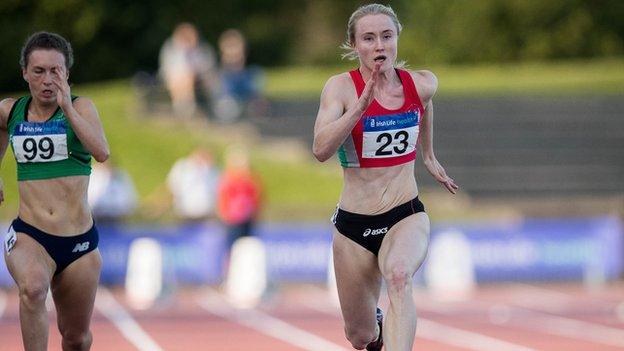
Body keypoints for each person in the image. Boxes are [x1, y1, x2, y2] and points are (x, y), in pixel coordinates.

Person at [312, 4, 458, 350]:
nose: (379, 46)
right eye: (369, 38)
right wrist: (358, 110)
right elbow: (320, 149)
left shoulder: (421, 83)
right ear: (355, 45)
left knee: (398, 276)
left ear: (396, 40)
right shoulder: (339, 89)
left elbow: (425, 103)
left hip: (403, 212)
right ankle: (376, 331)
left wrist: (429, 155)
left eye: (386, 36)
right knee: (359, 336)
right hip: (353, 225)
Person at [0, 32, 109, 350]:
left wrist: (68, 110)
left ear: (66, 74)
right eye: (39, 71)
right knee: (32, 289)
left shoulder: (82, 108)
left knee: (76, 339)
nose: (47, 80)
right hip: (31, 235)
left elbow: (101, 152)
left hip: (79, 242)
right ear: (25, 73)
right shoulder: (11, 111)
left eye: (55, 71)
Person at [159, 22, 217, 118]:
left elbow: (207, 69)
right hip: (175, 80)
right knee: (184, 77)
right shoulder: (171, 48)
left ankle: (183, 107)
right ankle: (185, 107)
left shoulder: (202, 50)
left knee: (188, 76)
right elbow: (168, 68)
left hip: (199, 80)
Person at [213, 29, 267, 122]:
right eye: (230, 47)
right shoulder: (219, 76)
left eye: (236, 47)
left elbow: (257, 97)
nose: (234, 53)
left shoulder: (254, 74)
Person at [217, 145, 262, 248]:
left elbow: (257, 196)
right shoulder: (228, 178)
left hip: (248, 217)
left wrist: (256, 212)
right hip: (232, 218)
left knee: (246, 245)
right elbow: (223, 197)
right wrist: (224, 213)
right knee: (232, 245)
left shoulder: (251, 178)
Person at [167, 147, 220, 221]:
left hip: (206, 213)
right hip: (185, 212)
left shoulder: (213, 171)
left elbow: (217, 191)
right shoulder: (183, 167)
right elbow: (173, 186)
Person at [88, 159, 137, 224]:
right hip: (95, 217)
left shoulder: (121, 176)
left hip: (116, 219)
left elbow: (130, 201)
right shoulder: (93, 175)